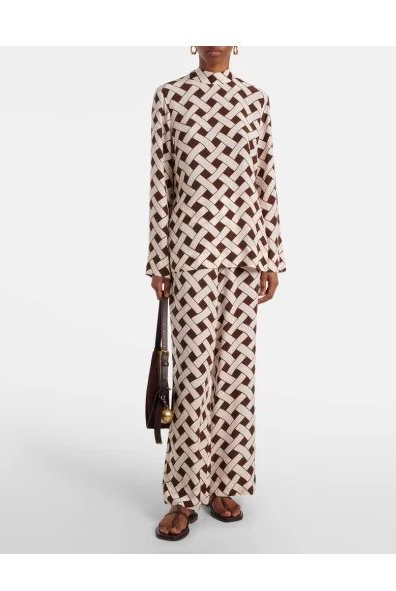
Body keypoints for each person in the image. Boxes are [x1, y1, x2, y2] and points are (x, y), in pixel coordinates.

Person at [146, 46, 286, 541]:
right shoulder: (170, 97)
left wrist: (272, 255)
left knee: (236, 374)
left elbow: (265, 182)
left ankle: (225, 482)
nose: (214, 40)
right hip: (190, 251)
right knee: (193, 373)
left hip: (245, 251)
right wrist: (158, 260)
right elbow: (161, 183)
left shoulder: (255, 100)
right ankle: (184, 494)